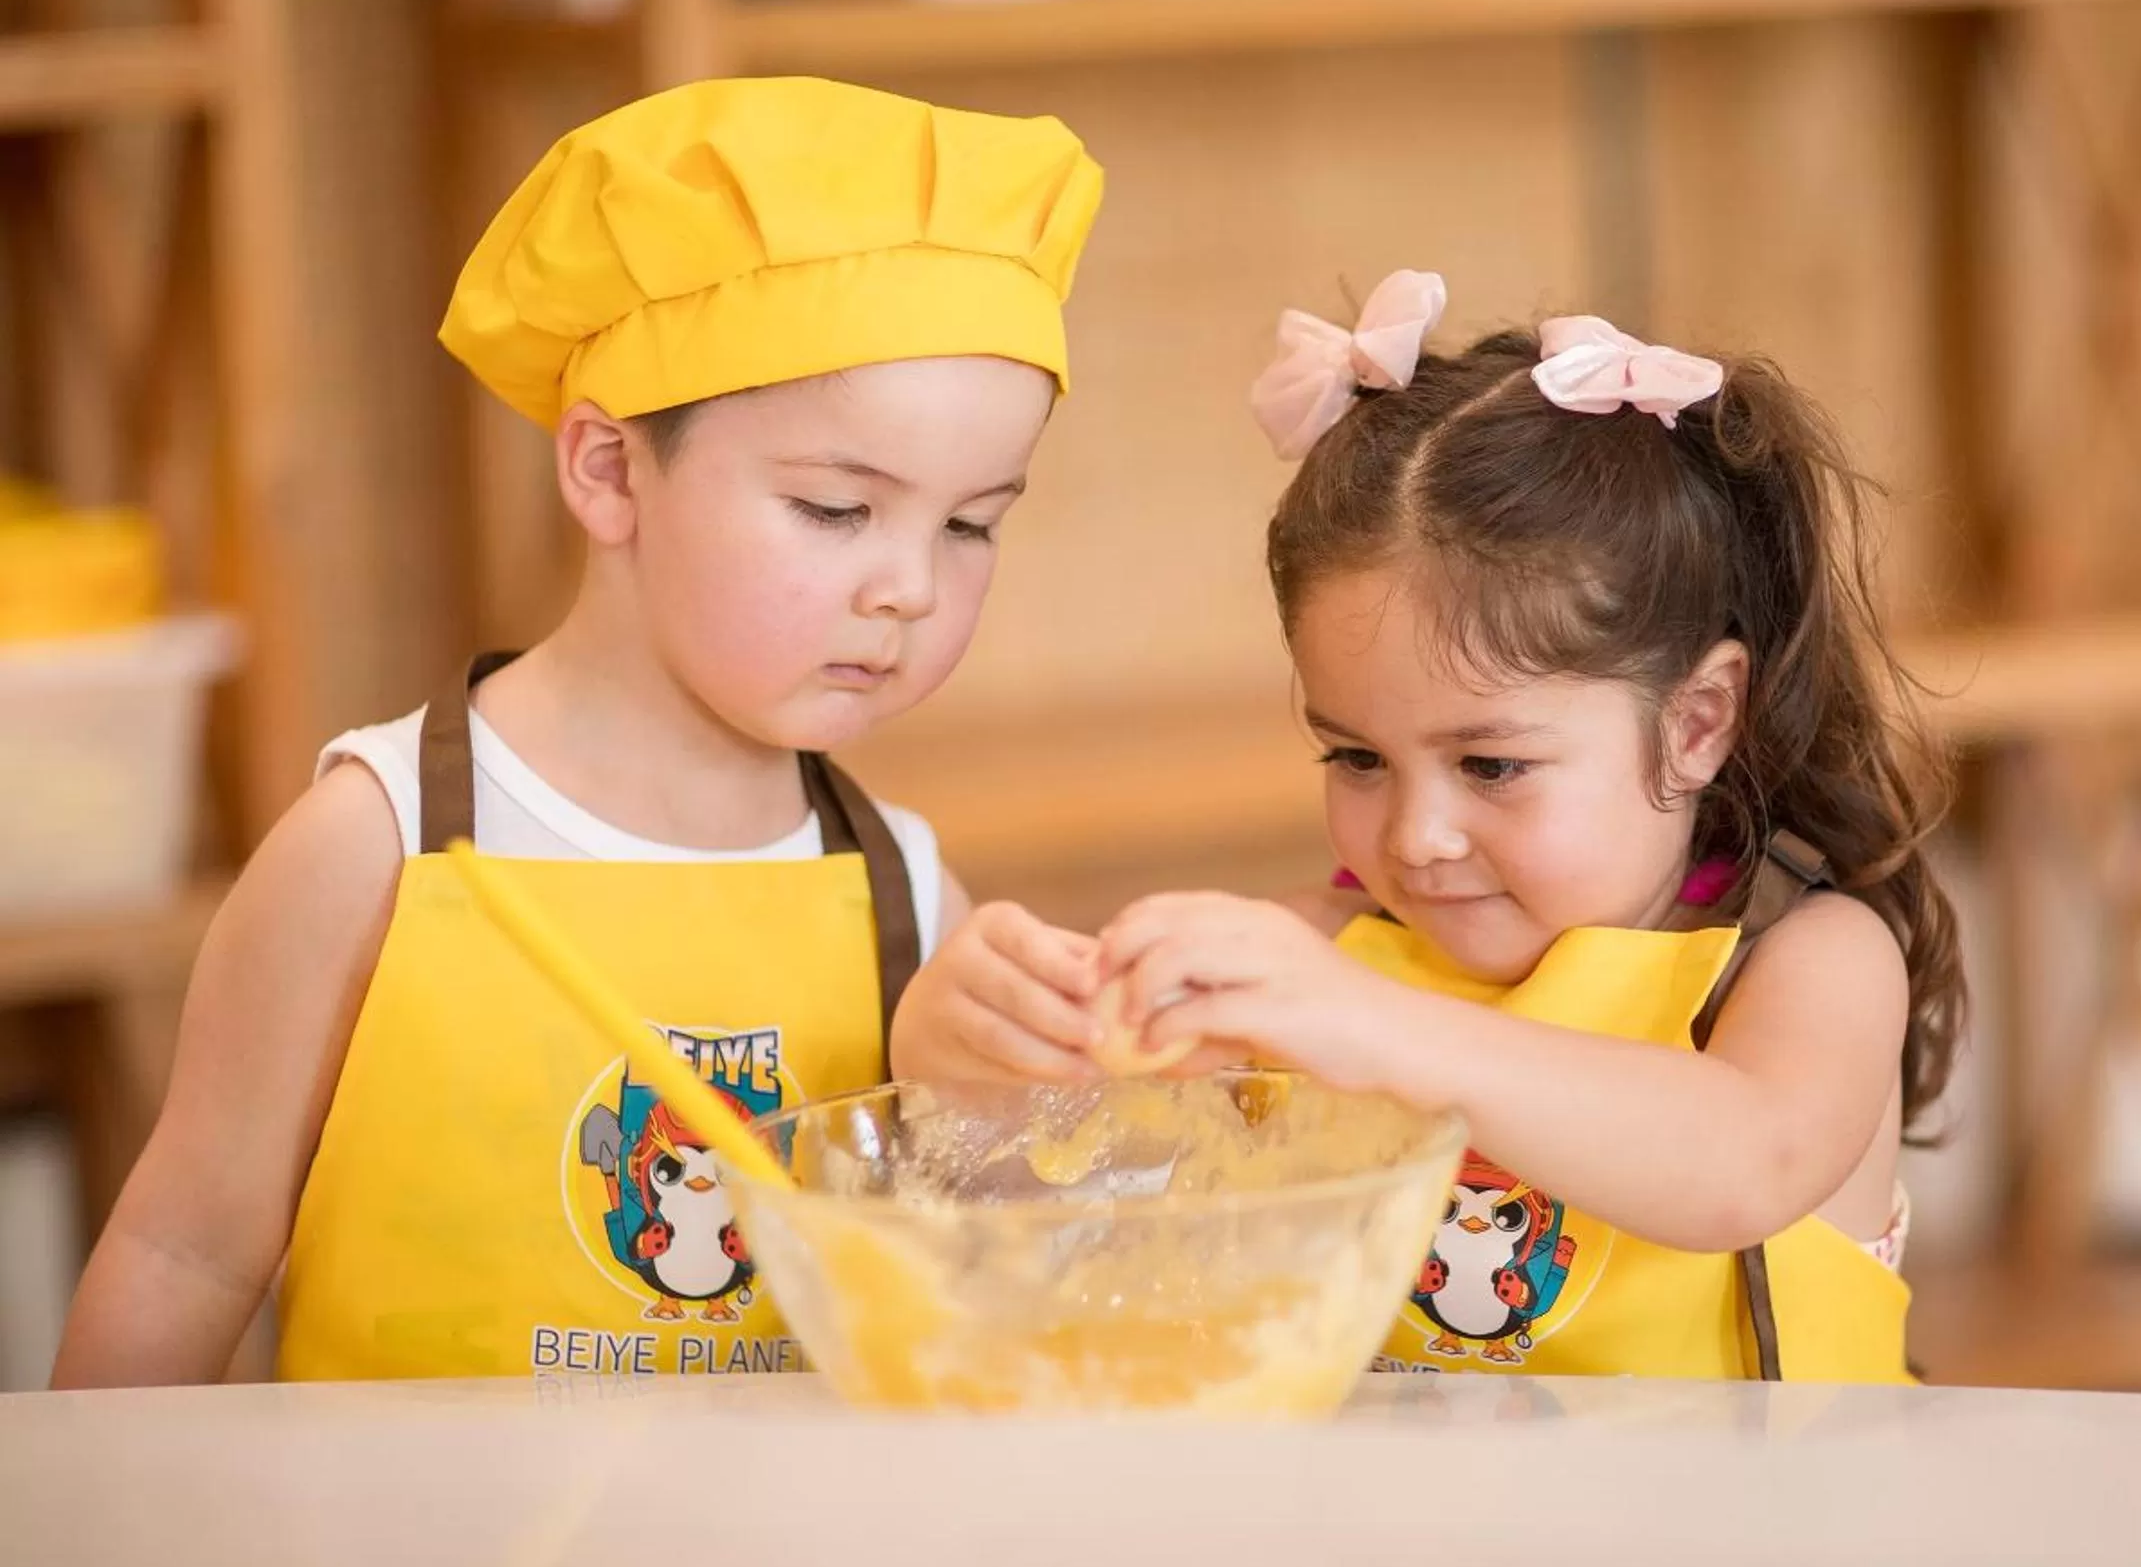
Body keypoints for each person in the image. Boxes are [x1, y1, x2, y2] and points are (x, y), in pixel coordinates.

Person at [55, 77, 1113, 1385]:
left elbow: (987, 1294)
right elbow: (187, 1253)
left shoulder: (904, 889)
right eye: (838, 509)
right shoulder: (375, 843)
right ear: (608, 471)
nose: (909, 585)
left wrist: (1006, 1113)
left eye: (971, 524)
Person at [1098, 271, 1967, 1381]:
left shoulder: (1804, 963)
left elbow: (1740, 1161)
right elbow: (1103, 1184)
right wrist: (1012, 1032)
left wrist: (1366, 1026)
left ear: (1697, 721)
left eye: (1492, 764)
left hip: (1769, 1547)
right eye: (1357, 757)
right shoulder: (1333, 957)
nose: (1416, 837)